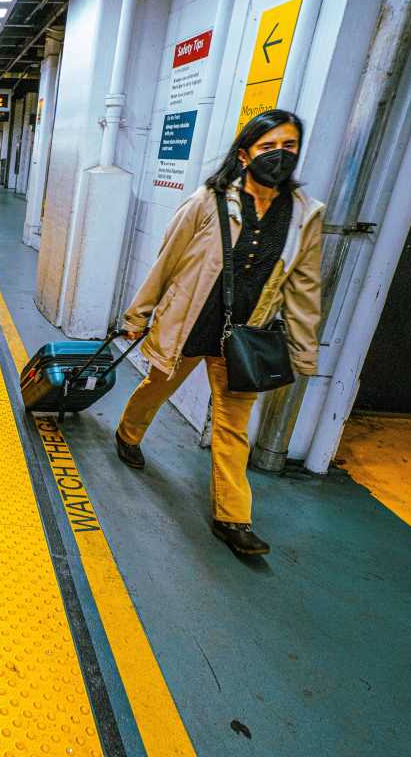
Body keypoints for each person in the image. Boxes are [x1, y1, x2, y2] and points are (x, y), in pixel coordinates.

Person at [113, 109, 324, 557]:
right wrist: (137, 316)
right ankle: (128, 434)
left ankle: (233, 517)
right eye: (269, 147)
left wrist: (304, 351)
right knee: (158, 384)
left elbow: (305, 288)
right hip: (195, 323)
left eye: (289, 147)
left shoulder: (304, 216)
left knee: (233, 426)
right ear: (245, 153)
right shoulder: (208, 202)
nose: (280, 156)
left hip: (247, 337)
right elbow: (166, 263)